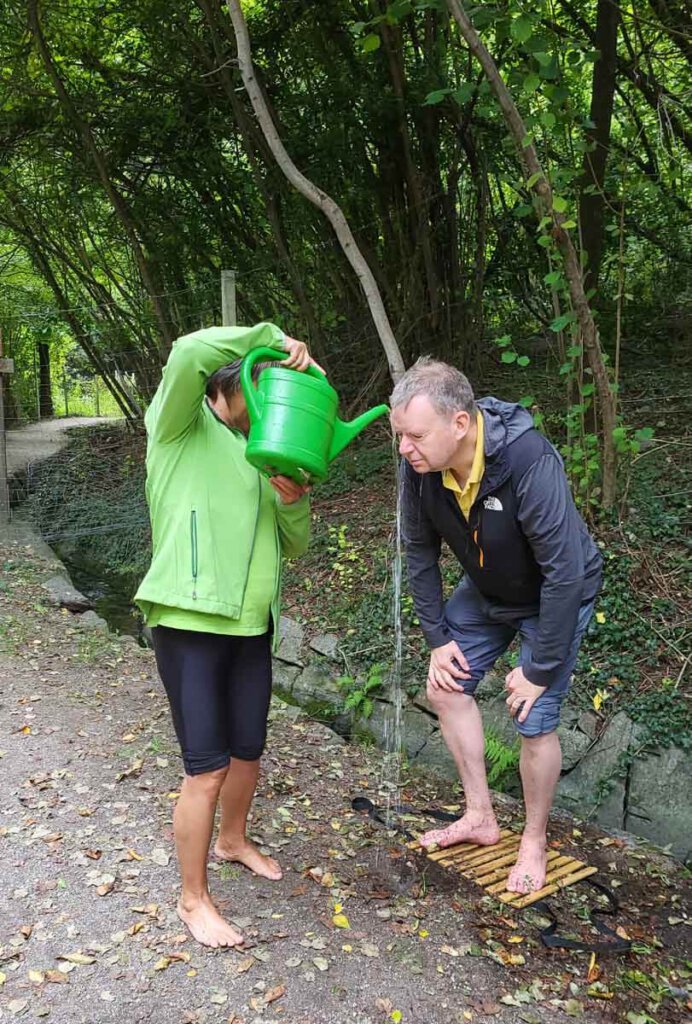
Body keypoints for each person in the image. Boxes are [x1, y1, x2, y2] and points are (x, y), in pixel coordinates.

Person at [390, 357, 602, 893]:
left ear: (460, 424)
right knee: (445, 688)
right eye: (399, 435)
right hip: (488, 588)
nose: (404, 448)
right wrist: (438, 639)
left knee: (534, 717)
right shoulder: (419, 469)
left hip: (556, 594)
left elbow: (565, 572)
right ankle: (480, 816)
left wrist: (540, 668)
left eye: (415, 435)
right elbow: (419, 552)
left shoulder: (527, 459)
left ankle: (533, 840)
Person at [135, 322, 316, 947]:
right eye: (264, 386)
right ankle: (193, 900)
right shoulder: (178, 427)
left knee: (247, 754)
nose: (274, 405)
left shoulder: (267, 444)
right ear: (234, 380)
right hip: (188, 622)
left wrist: (291, 499)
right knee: (205, 769)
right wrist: (269, 337)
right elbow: (186, 350)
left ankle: (233, 840)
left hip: (251, 625)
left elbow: (296, 543)